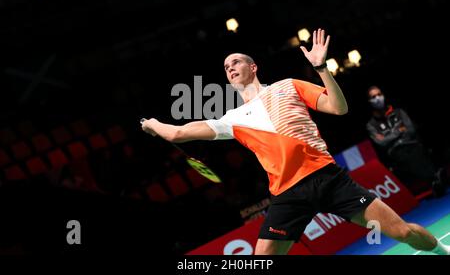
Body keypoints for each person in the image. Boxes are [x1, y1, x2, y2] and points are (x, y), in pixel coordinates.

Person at [141, 29, 449, 255]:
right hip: (288, 195)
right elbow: (177, 133)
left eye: (236, 62)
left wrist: (320, 68)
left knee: (403, 231)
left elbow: (338, 108)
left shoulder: (288, 86)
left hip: (328, 179)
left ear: (253, 67)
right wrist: (154, 124)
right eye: (226, 67)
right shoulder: (231, 119)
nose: (230, 67)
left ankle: (440, 251)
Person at [366, 86, 447, 197]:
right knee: (406, 156)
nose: (378, 98)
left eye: (379, 94)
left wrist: (389, 136)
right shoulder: (371, 125)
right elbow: (381, 143)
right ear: (369, 101)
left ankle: (435, 179)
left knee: (418, 150)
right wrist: (399, 131)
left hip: (412, 145)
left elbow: (411, 129)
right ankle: (435, 177)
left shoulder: (398, 112)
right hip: (395, 154)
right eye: (373, 97)